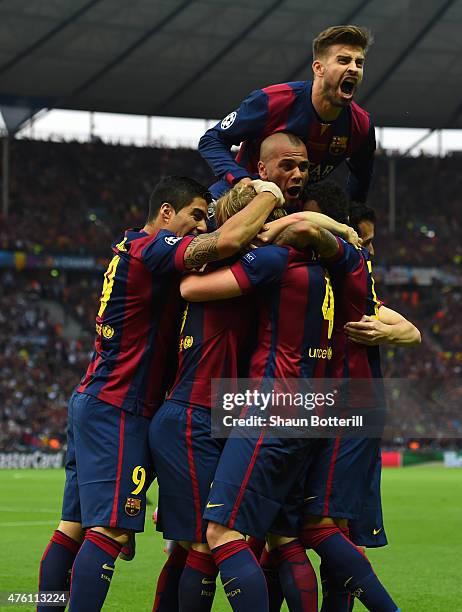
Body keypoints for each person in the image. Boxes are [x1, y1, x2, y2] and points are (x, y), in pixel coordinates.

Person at [36, 175, 284, 612]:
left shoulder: (130, 248)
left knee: (71, 528)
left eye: (206, 217)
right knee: (111, 532)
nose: (201, 226)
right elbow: (225, 243)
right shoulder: (152, 247)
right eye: (194, 216)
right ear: (166, 213)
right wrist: (269, 194)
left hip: (97, 399)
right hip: (120, 405)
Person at [296, 184, 420, 611]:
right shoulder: (317, 274)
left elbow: (411, 330)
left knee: (318, 527)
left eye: (369, 241)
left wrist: (389, 331)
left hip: (348, 403)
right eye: (361, 238)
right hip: (317, 405)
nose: (366, 248)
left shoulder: (348, 269)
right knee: (329, 528)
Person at [199, 25, 375, 202]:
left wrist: (355, 216)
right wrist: (241, 180)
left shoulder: (362, 126)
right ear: (318, 68)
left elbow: (362, 176)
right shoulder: (272, 101)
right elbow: (212, 140)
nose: (354, 68)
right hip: (241, 197)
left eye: (359, 63)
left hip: (295, 210)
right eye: (344, 61)